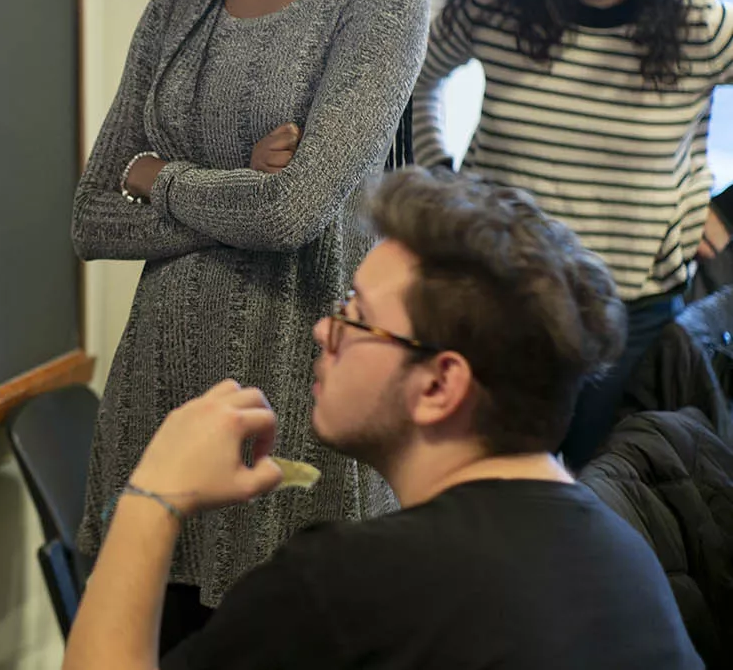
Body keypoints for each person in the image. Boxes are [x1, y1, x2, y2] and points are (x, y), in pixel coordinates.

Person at [70, 0, 429, 642]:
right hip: (158, 394)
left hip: (298, 399)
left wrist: (162, 177)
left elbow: (294, 213)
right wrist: (235, 184)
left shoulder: (381, 1)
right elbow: (90, 216)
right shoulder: (174, 6)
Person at [63, 168, 703, 670]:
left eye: (355, 314)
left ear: (439, 383)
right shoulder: (625, 555)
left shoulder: (348, 586)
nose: (323, 329)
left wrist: (154, 495)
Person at [412, 0, 733, 467]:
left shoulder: (698, 23)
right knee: (478, 482)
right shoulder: (493, 4)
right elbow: (419, 81)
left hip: (631, 315)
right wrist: (441, 179)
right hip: (496, 294)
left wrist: (724, 209)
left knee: (587, 496)